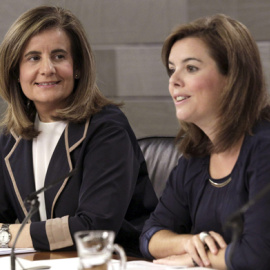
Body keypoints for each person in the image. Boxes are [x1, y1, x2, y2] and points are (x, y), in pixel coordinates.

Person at [0, 5, 157, 257]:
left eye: (59, 56)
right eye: (33, 58)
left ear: (78, 67)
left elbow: (94, 227)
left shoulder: (107, 128)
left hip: (116, 261)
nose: (47, 68)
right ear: (16, 72)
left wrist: (8, 235)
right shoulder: (10, 138)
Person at [140, 13, 270, 269]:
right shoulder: (195, 157)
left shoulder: (264, 149)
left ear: (232, 77)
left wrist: (198, 258)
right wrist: (188, 243)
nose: (173, 81)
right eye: (171, 69)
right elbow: (149, 236)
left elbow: (257, 256)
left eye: (191, 68)